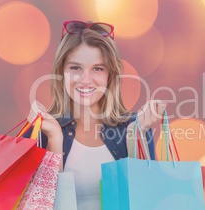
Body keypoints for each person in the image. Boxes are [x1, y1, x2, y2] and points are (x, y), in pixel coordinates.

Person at [25, 20, 166, 209]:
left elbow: (146, 202)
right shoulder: (40, 132)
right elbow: (38, 205)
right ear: (61, 72)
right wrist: (54, 139)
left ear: (110, 75)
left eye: (97, 69)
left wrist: (134, 137)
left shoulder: (135, 127)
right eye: (75, 68)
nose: (85, 80)